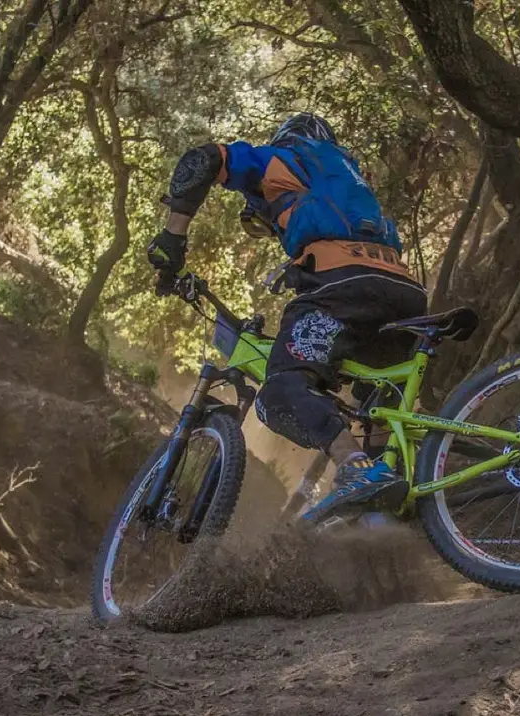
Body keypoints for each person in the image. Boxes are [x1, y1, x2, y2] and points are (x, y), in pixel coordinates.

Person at [147, 112, 426, 522]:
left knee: (281, 389)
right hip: (404, 291)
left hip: (343, 287)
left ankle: (353, 466)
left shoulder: (287, 157)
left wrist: (172, 240)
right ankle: (391, 510)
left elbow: (204, 159)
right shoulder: (349, 178)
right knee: (377, 408)